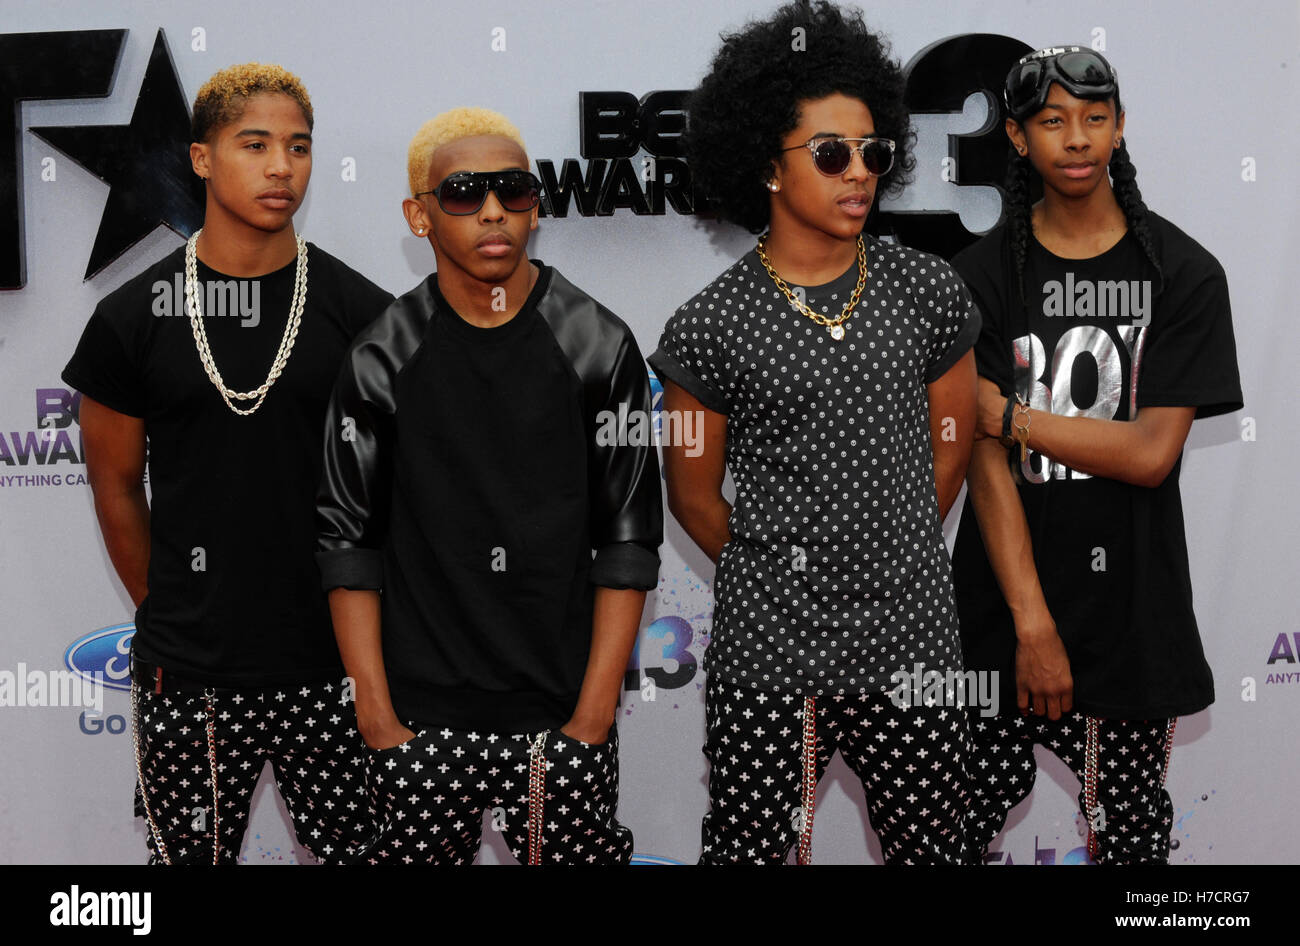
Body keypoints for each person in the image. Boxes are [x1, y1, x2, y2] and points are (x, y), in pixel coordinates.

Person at [649, 1, 979, 864]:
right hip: (770, 659)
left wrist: (892, 544)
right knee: (751, 850)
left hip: (914, 647)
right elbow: (691, 494)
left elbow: (955, 443)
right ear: (766, 163)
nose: (860, 172)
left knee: (936, 849)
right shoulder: (709, 325)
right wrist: (784, 574)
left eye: (874, 152)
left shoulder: (928, 290)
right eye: (832, 154)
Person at [62, 62, 394, 864]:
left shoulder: (363, 312)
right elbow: (113, 480)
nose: (282, 166)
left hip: (338, 664)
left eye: (299, 146)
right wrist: (172, 609)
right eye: (255, 144)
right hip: (190, 671)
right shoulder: (131, 317)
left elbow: (404, 483)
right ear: (202, 159)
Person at [316, 107, 662, 865]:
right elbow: (348, 541)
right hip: (416, 722)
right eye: (465, 193)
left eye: (515, 189)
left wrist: (594, 714)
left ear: (537, 207)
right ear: (420, 214)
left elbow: (630, 540)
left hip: (562, 719)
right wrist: (375, 713)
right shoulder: (380, 354)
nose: (495, 210)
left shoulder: (601, 342)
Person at [950, 46, 1243, 863]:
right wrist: (1032, 622)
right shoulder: (977, 279)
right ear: (1016, 137)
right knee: (954, 829)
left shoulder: (1183, 274)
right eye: (1051, 122)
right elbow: (980, 465)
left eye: (1095, 118)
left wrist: (1009, 415)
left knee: (1131, 836)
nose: (1075, 139)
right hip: (1000, 611)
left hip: (1131, 616)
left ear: (1119, 128)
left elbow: (1151, 453)